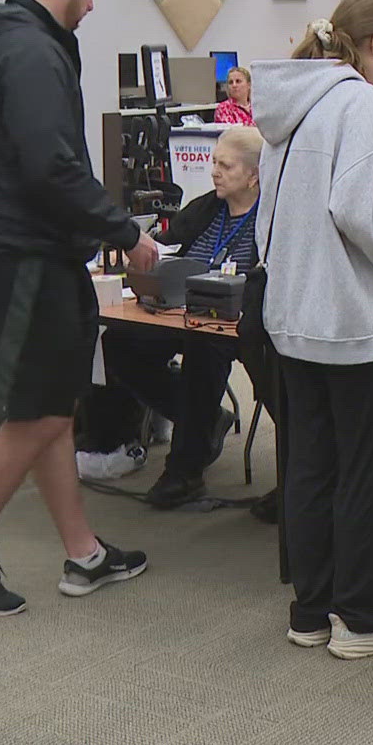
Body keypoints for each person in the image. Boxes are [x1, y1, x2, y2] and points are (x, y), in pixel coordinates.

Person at [0, 0, 160, 618]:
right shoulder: (29, 51)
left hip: (31, 253)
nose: (91, 6)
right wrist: (124, 234)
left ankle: (83, 554)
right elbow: (51, 165)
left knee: (53, 412)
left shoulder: (16, 42)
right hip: (22, 256)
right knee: (33, 416)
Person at [254, 0, 373, 660]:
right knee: (361, 473)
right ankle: (364, 620)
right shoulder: (362, 104)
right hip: (354, 326)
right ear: (372, 42)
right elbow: (359, 213)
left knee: (309, 467)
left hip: (294, 317)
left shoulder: (292, 104)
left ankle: (311, 611)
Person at [95, 126, 264, 509]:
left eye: (226, 165)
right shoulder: (207, 206)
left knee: (205, 350)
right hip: (180, 311)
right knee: (118, 344)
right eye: (214, 162)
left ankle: (184, 471)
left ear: (254, 175)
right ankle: (203, 424)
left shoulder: (271, 218)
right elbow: (165, 247)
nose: (215, 172)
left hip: (237, 324)